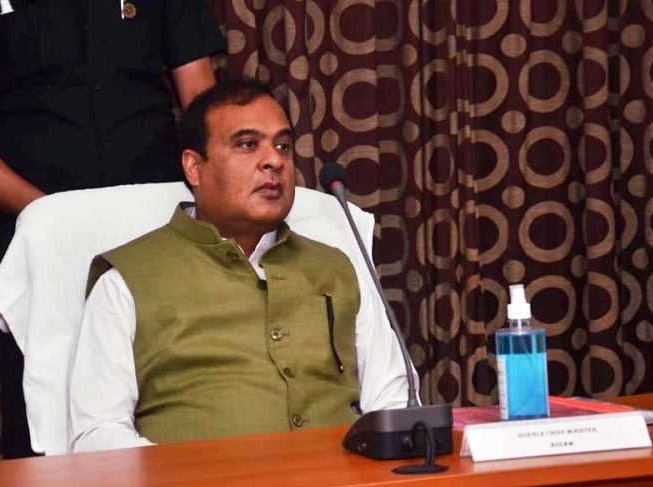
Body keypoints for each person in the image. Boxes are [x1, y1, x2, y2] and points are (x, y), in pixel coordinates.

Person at [0, 0, 225, 457]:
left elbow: (207, 111)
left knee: (177, 397)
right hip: (37, 237)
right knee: (45, 421)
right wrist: (55, 219)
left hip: (154, 232)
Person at [69, 79, 414, 452]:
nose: (274, 161)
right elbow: (98, 434)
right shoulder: (126, 280)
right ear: (194, 168)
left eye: (282, 146)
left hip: (342, 484)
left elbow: (395, 404)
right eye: (248, 145)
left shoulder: (338, 268)